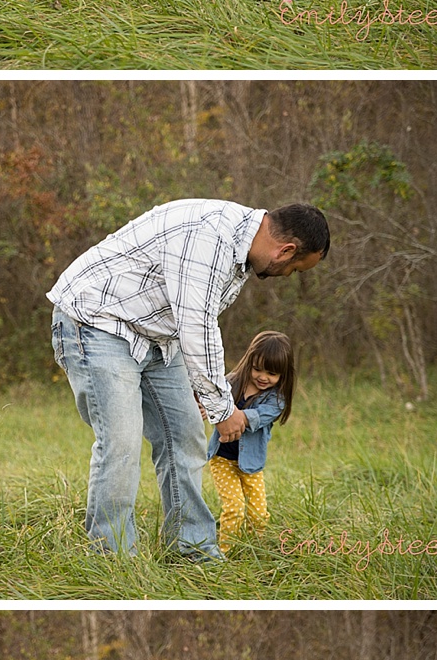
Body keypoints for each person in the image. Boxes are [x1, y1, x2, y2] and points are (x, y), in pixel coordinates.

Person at [48, 199, 329, 560]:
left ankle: (193, 549)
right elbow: (197, 327)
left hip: (156, 337)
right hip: (97, 322)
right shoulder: (211, 237)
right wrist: (222, 409)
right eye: (294, 269)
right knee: (121, 442)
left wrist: (202, 391)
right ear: (286, 250)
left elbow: (191, 322)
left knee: (185, 435)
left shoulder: (240, 251)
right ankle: (113, 559)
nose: (287, 275)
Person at [203, 329, 295, 552]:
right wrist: (206, 406)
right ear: (249, 361)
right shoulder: (231, 383)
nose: (263, 377)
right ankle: (224, 552)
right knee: (234, 507)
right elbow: (211, 396)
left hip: (251, 466)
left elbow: (256, 417)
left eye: (272, 374)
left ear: (283, 375)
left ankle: (254, 549)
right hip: (222, 459)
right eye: (257, 369)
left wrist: (235, 415)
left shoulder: (276, 400)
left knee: (258, 513)